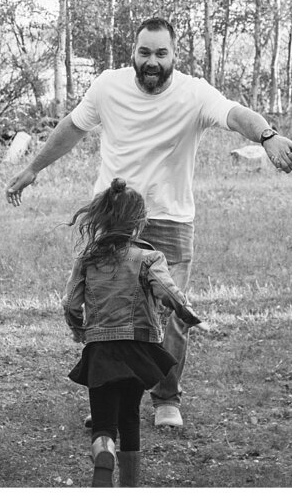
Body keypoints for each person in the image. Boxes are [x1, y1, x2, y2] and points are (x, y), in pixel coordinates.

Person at [7, 16, 292, 428]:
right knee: (110, 314)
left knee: (172, 312)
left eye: (161, 53)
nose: (151, 61)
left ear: (174, 55)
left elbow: (236, 115)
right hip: (114, 216)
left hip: (171, 218)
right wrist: (33, 168)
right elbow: (72, 128)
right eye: (144, 52)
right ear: (133, 52)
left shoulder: (194, 93)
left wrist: (268, 137)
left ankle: (167, 399)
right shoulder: (108, 86)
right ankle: (110, 400)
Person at [62, 177, 207, 487]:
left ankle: (104, 452)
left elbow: (71, 302)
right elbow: (167, 290)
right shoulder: (150, 257)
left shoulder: (87, 260)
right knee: (129, 415)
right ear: (140, 223)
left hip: (102, 349)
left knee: (104, 421)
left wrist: (79, 329)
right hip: (140, 349)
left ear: (100, 218)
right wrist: (184, 310)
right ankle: (130, 485)